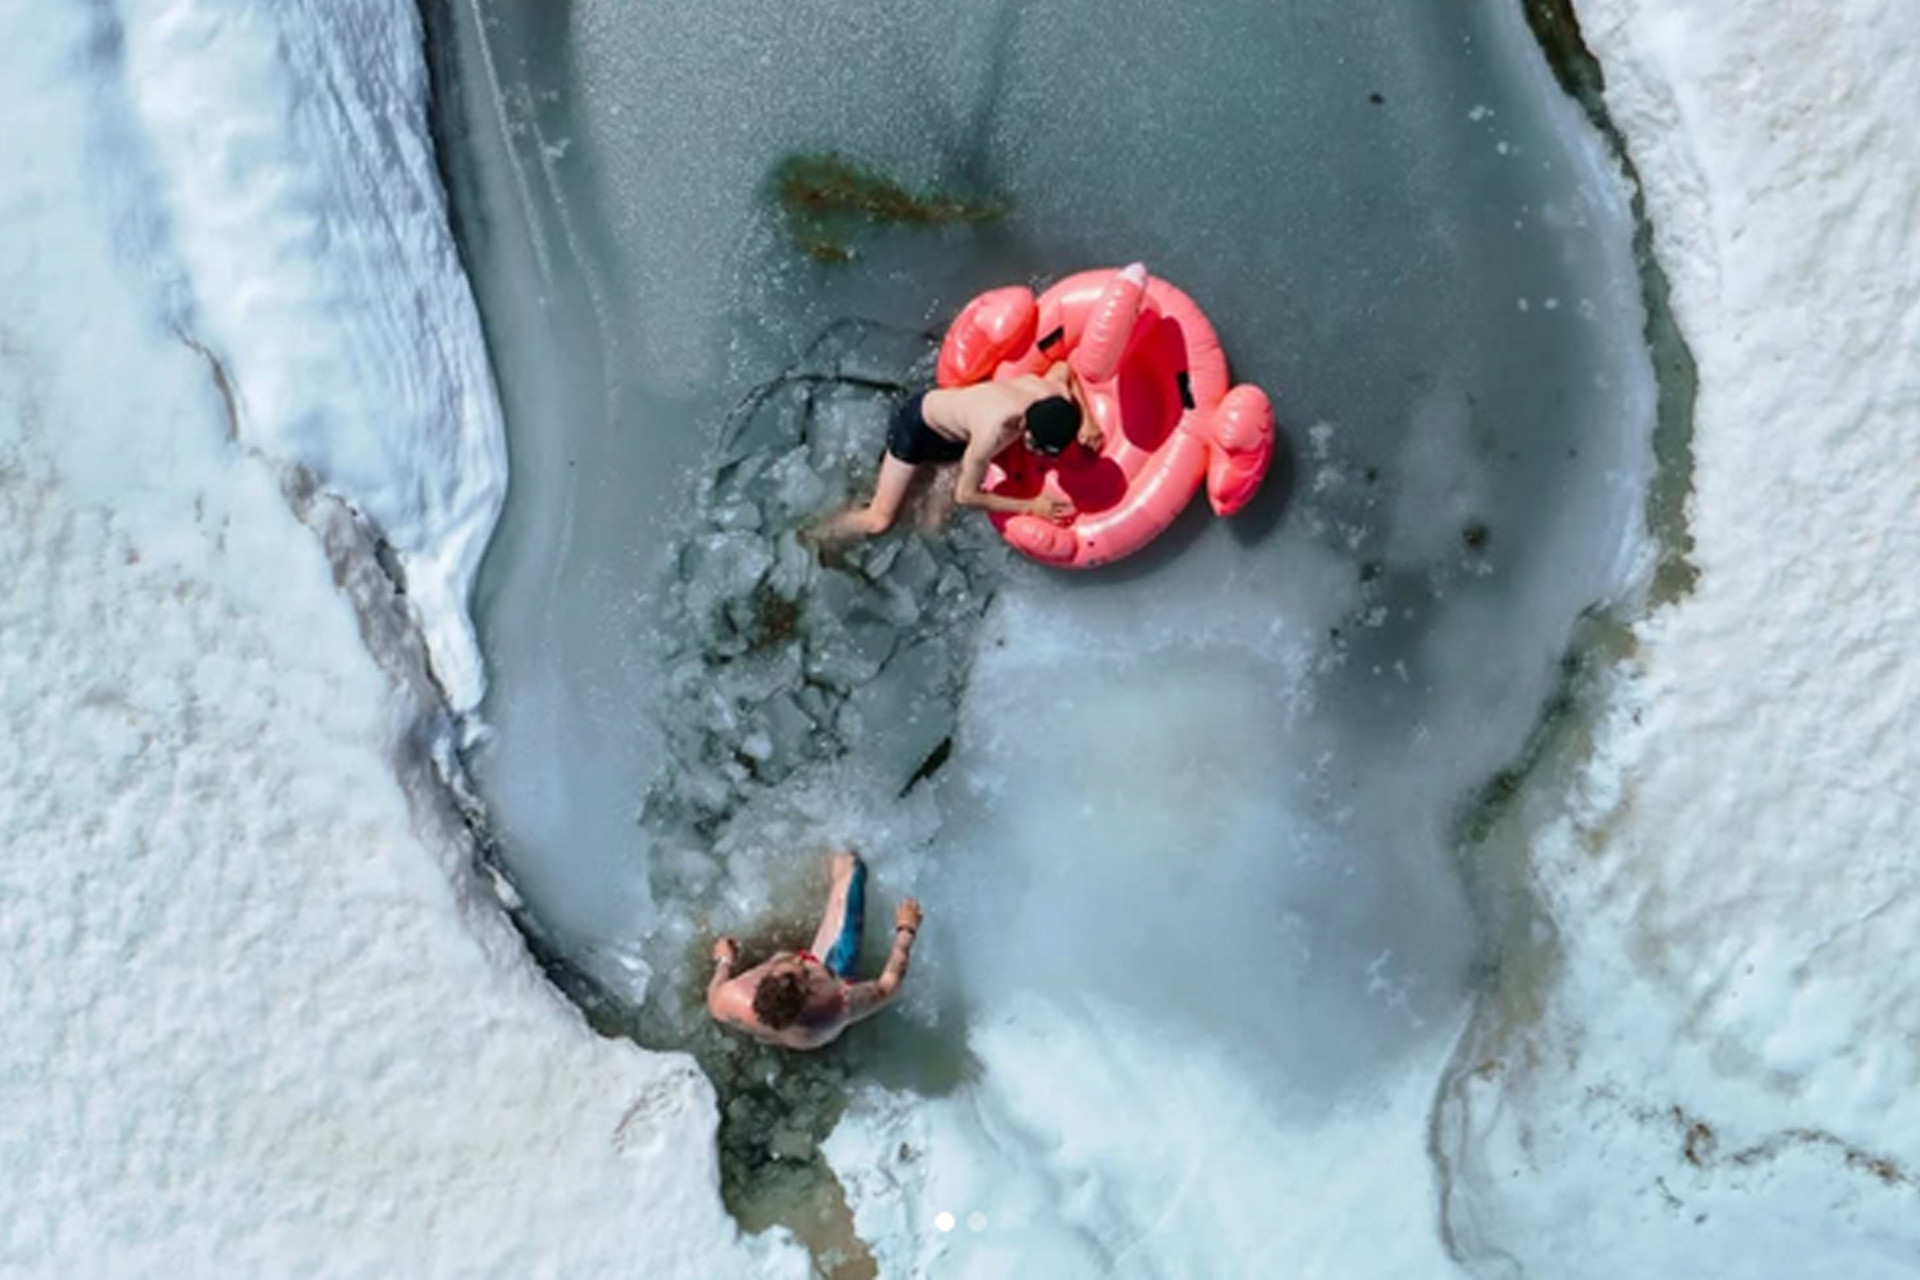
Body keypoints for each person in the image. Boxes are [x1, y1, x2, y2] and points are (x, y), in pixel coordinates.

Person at [809, 360, 1102, 543]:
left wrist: (1087, 421)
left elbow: (1065, 369)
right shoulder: (993, 431)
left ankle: (897, 488)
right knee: (880, 521)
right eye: (1034, 444)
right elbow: (966, 496)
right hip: (917, 429)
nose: (1036, 454)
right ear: (1024, 422)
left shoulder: (1052, 393)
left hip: (956, 441)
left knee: (932, 528)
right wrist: (1030, 506)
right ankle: (814, 534)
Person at [706, 851, 923, 1050]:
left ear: (761, 981)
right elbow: (888, 987)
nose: (802, 961)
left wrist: (725, 960)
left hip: (782, 1036)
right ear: (809, 995)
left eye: (798, 963)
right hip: (814, 1024)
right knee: (852, 868)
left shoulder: (730, 999)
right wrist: (906, 930)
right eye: (806, 972)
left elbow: (713, 998)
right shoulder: (836, 1005)